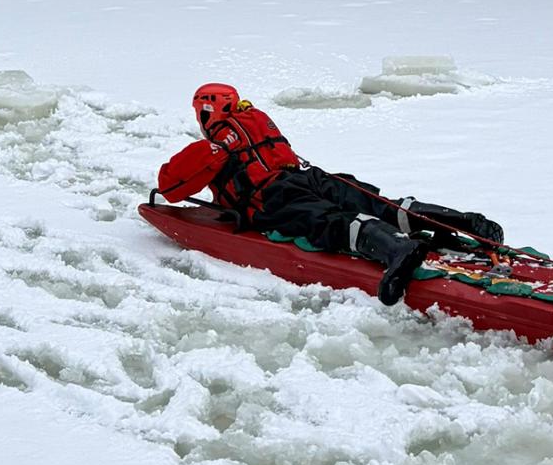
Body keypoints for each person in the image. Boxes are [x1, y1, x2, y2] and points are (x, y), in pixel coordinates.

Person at [156, 82, 504, 306]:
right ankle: (458, 221)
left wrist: (207, 155)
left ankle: (396, 248)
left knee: (329, 221)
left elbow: (170, 186)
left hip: (274, 196)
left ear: (206, 111)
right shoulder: (259, 119)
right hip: (310, 176)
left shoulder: (215, 144)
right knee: (376, 202)